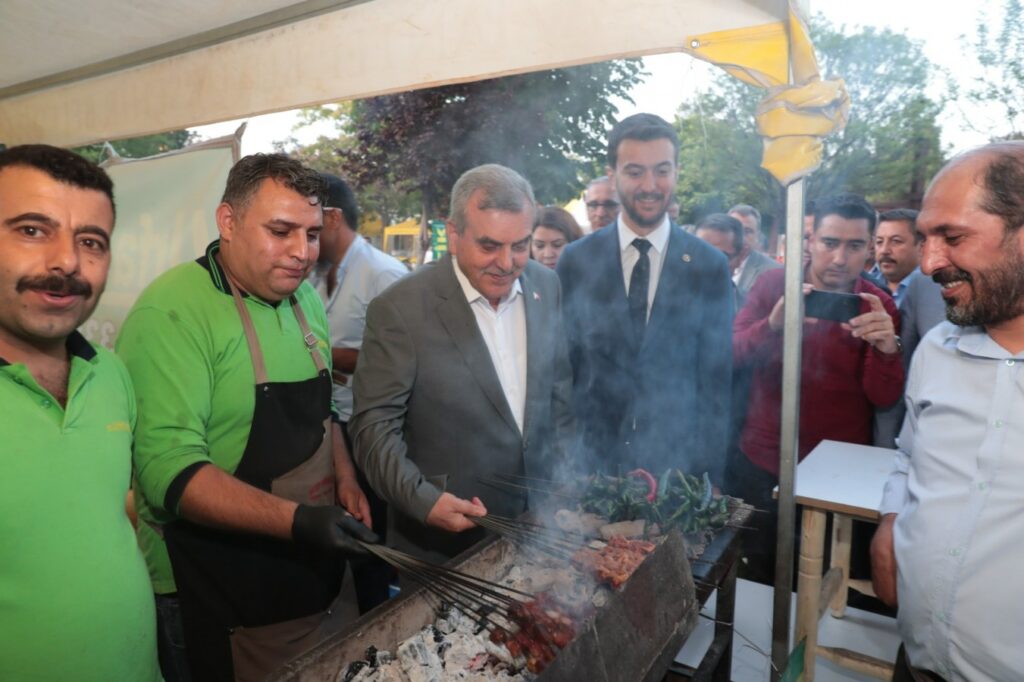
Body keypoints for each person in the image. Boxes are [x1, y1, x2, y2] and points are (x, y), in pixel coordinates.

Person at [118, 153, 377, 682]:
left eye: (311, 234)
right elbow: (168, 472)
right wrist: (299, 521)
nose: (302, 253)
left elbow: (325, 407)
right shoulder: (171, 312)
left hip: (306, 570)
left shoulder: (304, 301)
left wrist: (346, 478)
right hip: (208, 584)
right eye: (280, 232)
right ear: (228, 222)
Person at [350, 164, 575, 563]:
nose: (506, 263)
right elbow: (374, 428)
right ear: (454, 235)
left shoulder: (546, 285)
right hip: (444, 542)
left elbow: (559, 398)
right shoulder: (400, 308)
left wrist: (567, 480)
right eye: (489, 246)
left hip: (541, 526)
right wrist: (424, 500)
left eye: (520, 245)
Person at [0, 144, 160, 680]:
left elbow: (108, 507)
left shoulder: (110, 373)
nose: (67, 262)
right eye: (32, 230)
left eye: (91, 242)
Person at [871, 142, 1024, 681]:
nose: (930, 263)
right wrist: (891, 521)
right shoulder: (937, 348)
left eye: (953, 238)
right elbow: (909, 457)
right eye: (926, 239)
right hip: (917, 661)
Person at [732, 193, 903, 581]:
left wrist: (888, 350)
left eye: (854, 245)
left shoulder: (877, 304)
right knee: (754, 576)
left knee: (825, 581)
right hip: (763, 460)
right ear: (810, 240)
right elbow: (732, 354)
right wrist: (772, 326)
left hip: (839, 472)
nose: (840, 258)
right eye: (830, 242)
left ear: (870, 249)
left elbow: (884, 397)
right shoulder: (775, 284)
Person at [557, 113, 734, 482]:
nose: (650, 186)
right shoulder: (576, 260)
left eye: (661, 171)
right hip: (593, 466)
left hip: (676, 470)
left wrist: (710, 478)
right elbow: (563, 369)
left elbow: (715, 382)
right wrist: (566, 463)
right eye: (635, 172)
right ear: (613, 175)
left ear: (677, 173)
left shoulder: (709, 266)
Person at [306, 172, 407, 613]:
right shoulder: (313, 275)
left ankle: (380, 618)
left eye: (310, 223)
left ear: (331, 218)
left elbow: (408, 358)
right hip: (330, 424)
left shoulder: (384, 274)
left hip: (370, 428)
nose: (303, 237)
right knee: (344, 527)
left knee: (372, 536)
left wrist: (327, 357)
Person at [870, 209, 945, 448]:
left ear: (920, 246)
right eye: (879, 242)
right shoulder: (864, 286)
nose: (885, 250)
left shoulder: (935, 289)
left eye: (896, 241)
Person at [728, 204, 783, 303]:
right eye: (735, 230)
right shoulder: (710, 264)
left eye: (747, 231)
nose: (741, 237)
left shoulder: (773, 272)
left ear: (757, 236)